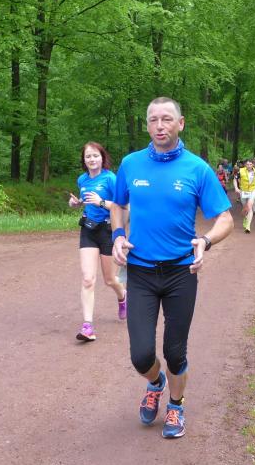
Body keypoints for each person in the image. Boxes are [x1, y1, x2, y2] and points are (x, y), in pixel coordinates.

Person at [110, 97, 233, 439]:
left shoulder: (197, 169)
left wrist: (205, 241)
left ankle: (176, 405)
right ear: (147, 124)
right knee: (141, 355)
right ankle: (156, 382)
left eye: (167, 119)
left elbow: (225, 218)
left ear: (181, 124)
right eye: (153, 119)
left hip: (181, 272)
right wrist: (117, 235)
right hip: (140, 272)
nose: (159, 125)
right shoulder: (130, 164)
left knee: (175, 351)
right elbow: (118, 205)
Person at [68, 142, 127, 342]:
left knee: (110, 280)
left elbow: (123, 206)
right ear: (84, 160)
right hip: (88, 230)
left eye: (95, 156)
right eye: (88, 156)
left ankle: (122, 296)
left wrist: (101, 202)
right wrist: (76, 203)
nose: (92, 159)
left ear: (102, 158)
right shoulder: (82, 179)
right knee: (87, 279)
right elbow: (86, 202)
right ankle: (87, 326)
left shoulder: (111, 179)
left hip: (108, 231)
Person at [234, 158, 255, 233]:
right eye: (247, 164)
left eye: (250, 164)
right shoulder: (240, 171)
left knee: (250, 207)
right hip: (243, 191)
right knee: (245, 208)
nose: (249, 166)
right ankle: (245, 218)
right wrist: (236, 188)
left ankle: (248, 226)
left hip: (252, 191)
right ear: (245, 165)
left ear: (253, 165)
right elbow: (235, 179)